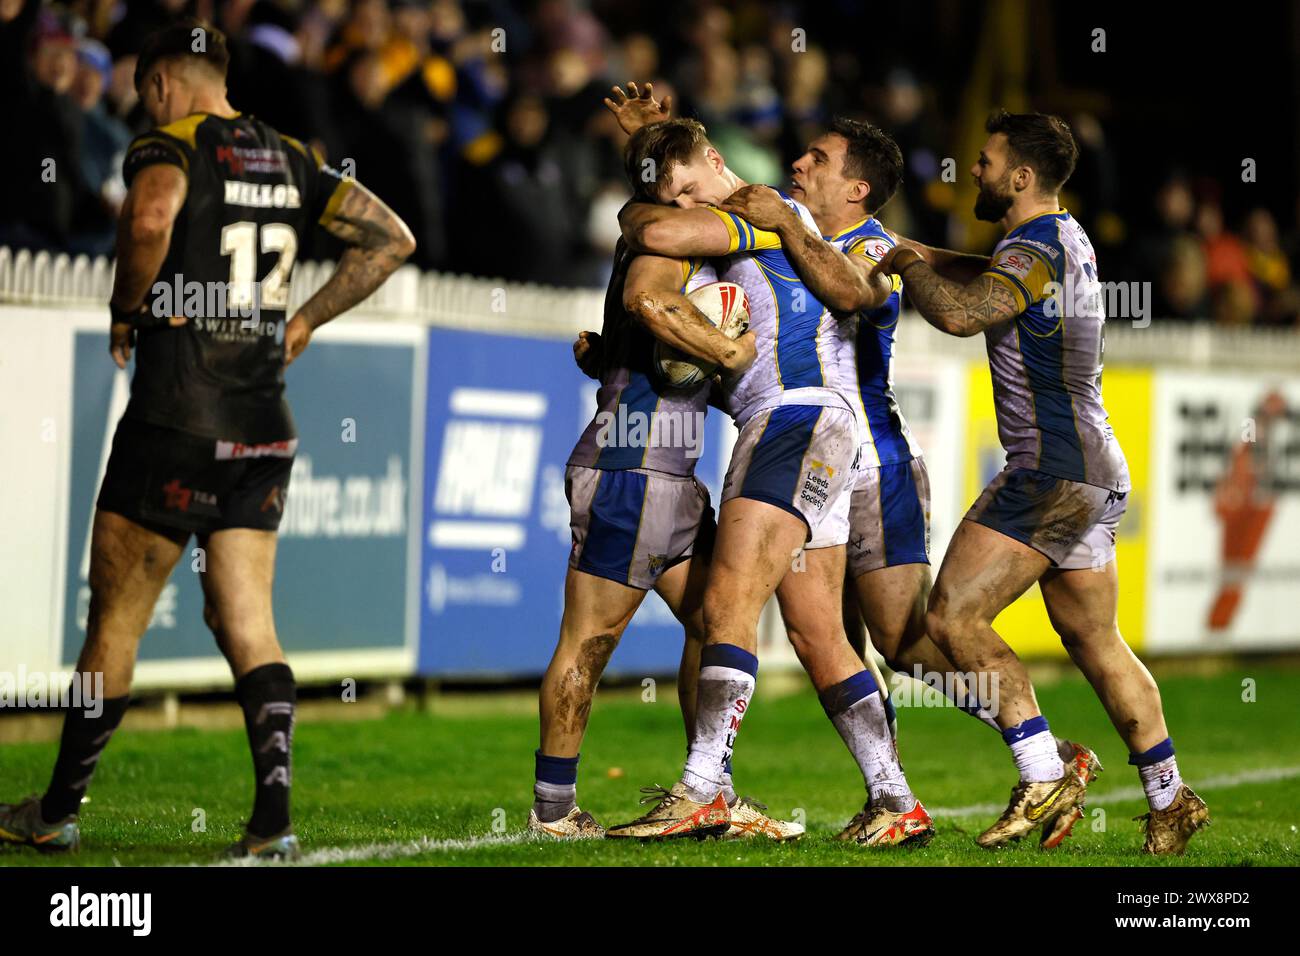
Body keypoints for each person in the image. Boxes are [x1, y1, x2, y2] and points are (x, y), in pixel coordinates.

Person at [0, 19, 415, 860]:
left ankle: (57, 808)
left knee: (114, 622)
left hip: (174, 416)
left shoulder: (171, 143)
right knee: (249, 623)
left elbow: (150, 221)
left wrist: (126, 308)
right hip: (263, 423)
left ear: (159, 82)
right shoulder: (293, 155)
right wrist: (301, 319)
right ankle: (273, 822)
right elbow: (391, 240)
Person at [873, 110, 1209, 854]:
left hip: (1051, 470)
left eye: (988, 162)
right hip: (1094, 468)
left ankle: (1040, 772)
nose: (978, 171)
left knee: (952, 618)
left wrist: (911, 268)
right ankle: (1169, 796)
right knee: (1095, 640)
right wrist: (925, 249)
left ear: (1021, 177)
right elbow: (995, 278)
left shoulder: (1029, 250)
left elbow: (964, 316)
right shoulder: (1064, 236)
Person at [603, 116, 932, 846]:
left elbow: (654, 235)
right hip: (817, 427)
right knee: (818, 633)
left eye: (688, 185)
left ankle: (702, 790)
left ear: (715, 166)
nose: (680, 200)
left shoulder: (750, 212)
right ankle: (895, 799)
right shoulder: (773, 218)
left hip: (794, 418)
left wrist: (643, 202)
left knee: (727, 603)